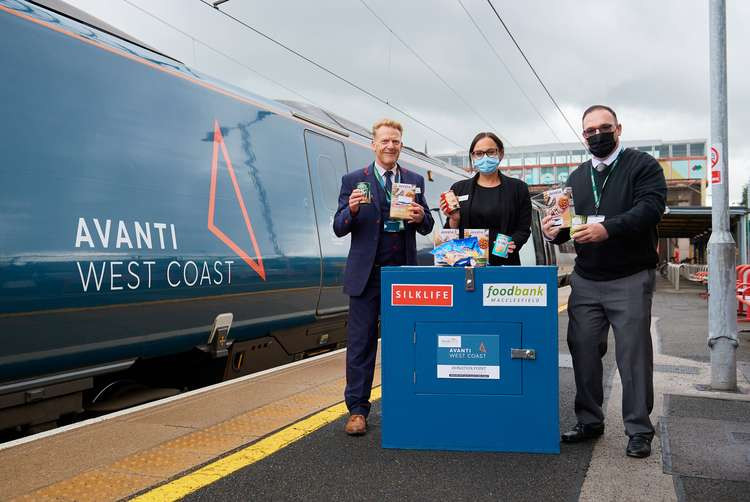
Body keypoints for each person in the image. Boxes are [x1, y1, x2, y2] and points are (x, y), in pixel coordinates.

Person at [542, 105, 667, 458]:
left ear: (619, 129)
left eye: (604, 128)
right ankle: (589, 420)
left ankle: (639, 430)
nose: (597, 135)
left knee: (633, 357)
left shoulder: (643, 166)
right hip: (586, 279)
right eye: (590, 131)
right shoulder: (577, 177)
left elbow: (650, 209)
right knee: (583, 350)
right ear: (584, 136)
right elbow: (568, 224)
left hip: (630, 277)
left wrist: (606, 228)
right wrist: (554, 233)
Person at [333, 118, 434, 436]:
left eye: (396, 141)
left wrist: (420, 216)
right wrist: (349, 210)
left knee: (403, 343)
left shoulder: (414, 180)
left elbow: (428, 224)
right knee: (360, 345)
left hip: (401, 277)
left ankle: (402, 404)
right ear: (373, 144)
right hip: (366, 278)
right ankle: (358, 411)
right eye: (385, 141)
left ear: (401, 145)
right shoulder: (353, 180)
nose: (391, 146)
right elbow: (338, 227)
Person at [439, 132, 531, 265]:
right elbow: (448, 236)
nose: (485, 157)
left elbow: (523, 229)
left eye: (491, 152)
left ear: (501, 153)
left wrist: (512, 242)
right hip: (466, 265)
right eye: (479, 153)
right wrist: (454, 219)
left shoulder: (518, 188)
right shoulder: (459, 189)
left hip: (504, 264)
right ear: (473, 156)